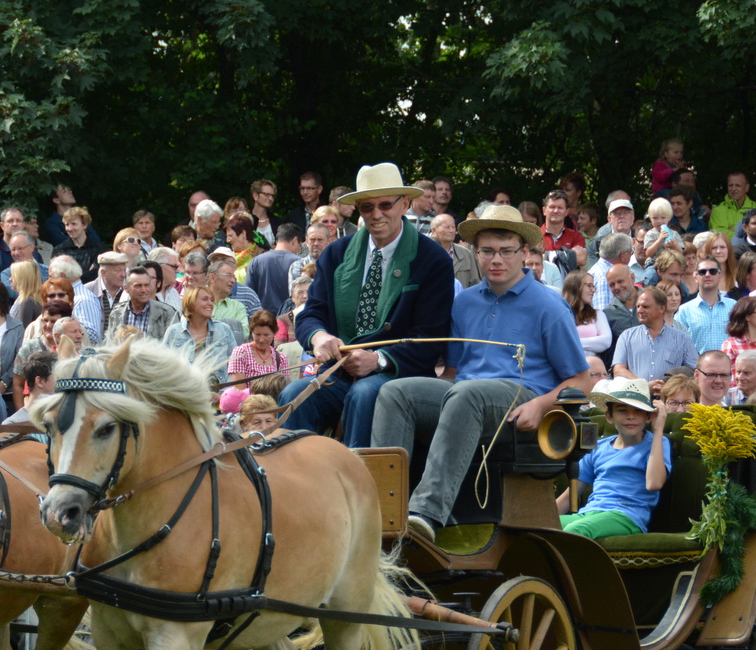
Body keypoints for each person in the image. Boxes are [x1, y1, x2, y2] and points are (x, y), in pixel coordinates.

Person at [372, 204, 587, 538]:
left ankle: (425, 514)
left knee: (466, 394)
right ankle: (382, 510)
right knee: (395, 392)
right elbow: (453, 371)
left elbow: (581, 381)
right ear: (475, 253)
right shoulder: (465, 301)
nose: (496, 260)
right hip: (465, 393)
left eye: (506, 251)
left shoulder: (549, 305)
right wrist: (428, 396)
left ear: (524, 252)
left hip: (520, 398)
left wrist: (541, 405)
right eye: (487, 251)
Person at [281, 166, 456, 448]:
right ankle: (295, 475)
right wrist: (319, 337)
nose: (376, 214)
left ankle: (358, 474)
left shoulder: (432, 259)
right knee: (294, 395)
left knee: (365, 394)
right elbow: (311, 313)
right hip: (339, 373)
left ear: (405, 204)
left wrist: (378, 360)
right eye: (367, 207)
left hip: (398, 376)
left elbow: (430, 337)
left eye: (385, 205)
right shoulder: (336, 253)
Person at [555, 379, 669, 538]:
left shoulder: (657, 443)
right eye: (622, 410)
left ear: (648, 416)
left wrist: (658, 430)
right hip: (590, 513)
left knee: (576, 530)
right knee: (540, 527)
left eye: (638, 410)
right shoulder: (599, 447)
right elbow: (570, 495)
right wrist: (539, 519)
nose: (631, 416)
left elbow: (654, 484)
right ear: (609, 416)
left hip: (626, 516)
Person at [612, 285, 697, 387]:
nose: (639, 310)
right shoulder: (626, 337)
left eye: (645, 307)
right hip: (635, 396)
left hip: (669, 396)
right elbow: (618, 371)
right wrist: (644, 386)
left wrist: (669, 387)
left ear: (661, 308)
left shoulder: (682, 339)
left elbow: (695, 372)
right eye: (638, 306)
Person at [221, 310, 290, 414]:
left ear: (274, 333)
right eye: (257, 334)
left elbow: (283, 391)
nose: (261, 339)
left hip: (273, 412)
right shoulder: (241, 353)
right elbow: (239, 391)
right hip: (249, 411)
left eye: (266, 335)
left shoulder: (281, 358)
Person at [163, 286, 237, 365]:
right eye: (205, 299)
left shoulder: (224, 329)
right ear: (191, 303)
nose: (210, 303)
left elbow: (235, 363)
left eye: (212, 300)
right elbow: (164, 364)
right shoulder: (174, 331)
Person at [561, 271, 611, 357]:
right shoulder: (561, 315)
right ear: (575, 286)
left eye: (593, 286)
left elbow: (606, 341)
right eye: (589, 285)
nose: (593, 290)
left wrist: (572, 343)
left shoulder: (597, 314)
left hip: (592, 364)